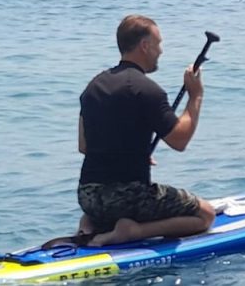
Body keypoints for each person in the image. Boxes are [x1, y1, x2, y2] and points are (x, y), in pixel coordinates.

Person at [75, 14, 215, 246]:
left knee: (102, 209)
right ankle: (134, 231)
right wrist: (195, 96)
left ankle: (88, 227)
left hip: (88, 197)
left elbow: (84, 145)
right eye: (158, 44)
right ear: (145, 45)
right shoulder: (147, 90)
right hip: (127, 198)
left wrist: (133, 153)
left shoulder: (93, 87)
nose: (160, 51)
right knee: (205, 215)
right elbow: (180, 140)